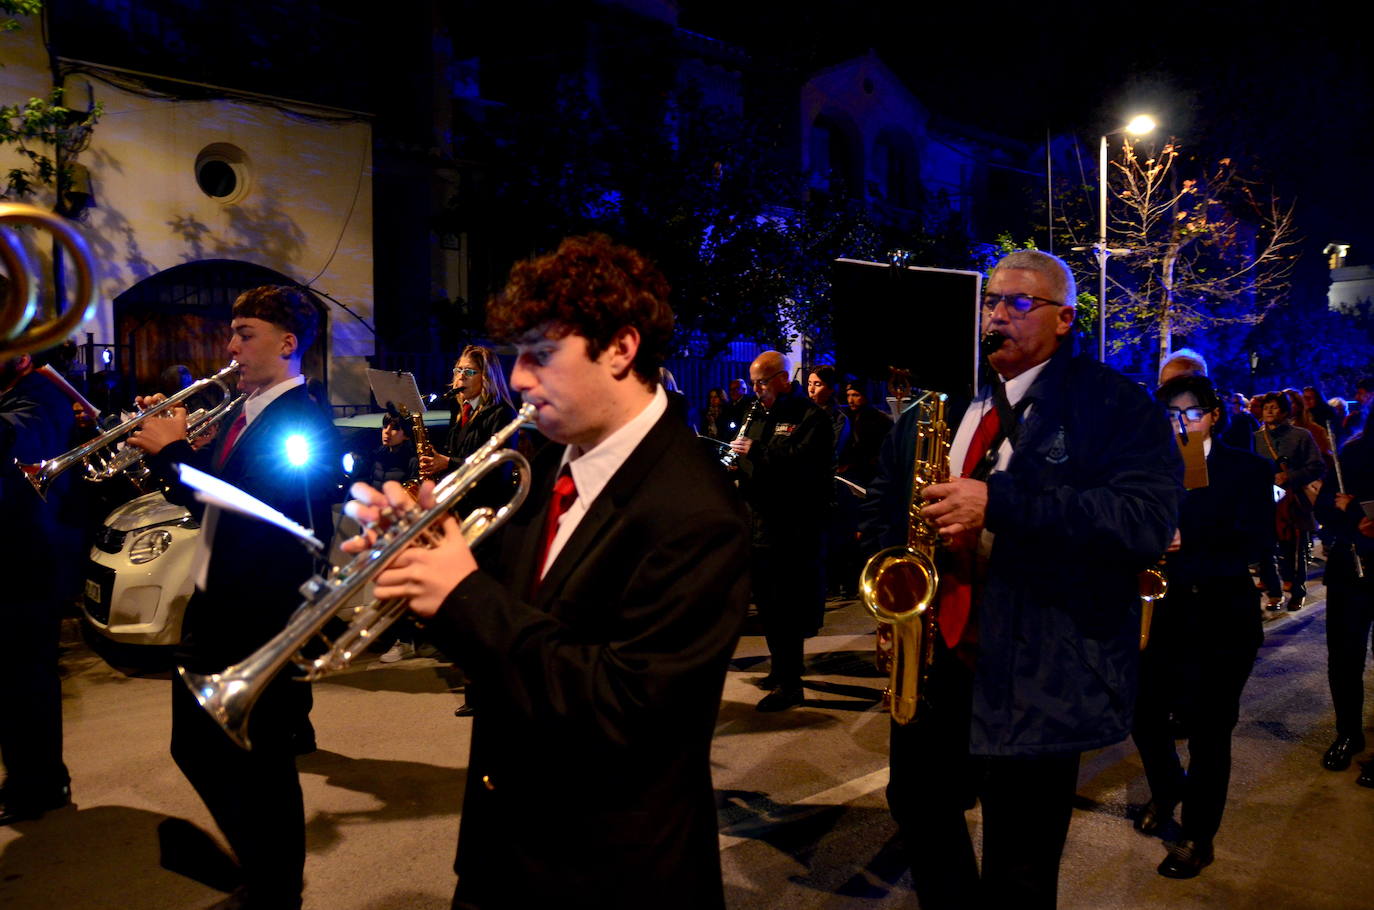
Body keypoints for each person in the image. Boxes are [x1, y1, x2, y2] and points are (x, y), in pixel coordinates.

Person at [343, 234, 749, 909]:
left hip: (607, 874)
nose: (522, 379)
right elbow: (506, 630)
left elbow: (625, 710)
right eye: (516, 357)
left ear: (621, 348)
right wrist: (414, 573)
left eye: (542, 354)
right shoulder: (546, 458)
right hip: (502, 851)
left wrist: (461, 593)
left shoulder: (697, 510)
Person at [860, 249, 1181, 908]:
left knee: (1021, 865)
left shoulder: (1113, 405)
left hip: (1040, 669)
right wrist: (887, 565)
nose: (997, 315)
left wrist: (999, 505)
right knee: (917, 808)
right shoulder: (943, 403)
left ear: (1064, 319)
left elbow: (1144, 520)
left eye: (1018, 303)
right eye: (991, 301)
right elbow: (888, 493)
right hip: (936, 661)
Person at [130, 285, 340, 910]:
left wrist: (172, 453)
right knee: (200, 745)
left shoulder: (300, 418)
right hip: (221, 601)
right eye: (232, 333)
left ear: (288, 343)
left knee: (264, 759)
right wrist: (166, 449)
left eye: (245, 333)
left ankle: (275, 888)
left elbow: (248, 506)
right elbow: (206, 492)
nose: (230, 346)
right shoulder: (244, 411)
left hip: (264, 610)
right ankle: (268, 872)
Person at [1130, 374, 1273, 878]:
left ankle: (1198, 834)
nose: (1181, 424)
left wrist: (1187, 539)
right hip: (1157, 617)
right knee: (1143, 715)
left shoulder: (1248, 468)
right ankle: (1168, 787)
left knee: (1212, 731)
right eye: (1171, 415)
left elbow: (1255, 542)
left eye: (1190, 413)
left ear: (1213, 414)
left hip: (1220, 618)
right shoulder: (1144, 467)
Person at [0, 351, 79, 827]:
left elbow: (15, 439)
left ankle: (41, 784)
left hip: (27, 562)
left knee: (26, 682)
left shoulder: (44, 396)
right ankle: (25, 779)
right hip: (11, 558)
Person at [731, 351, 835, 711]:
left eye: (761, 382)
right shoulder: (757, 412)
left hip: (790, 527)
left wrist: (757, 451)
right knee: (768, 605)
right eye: (754, 382)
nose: (755, 389)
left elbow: (803, 464)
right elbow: (751, 459)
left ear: (781, 379)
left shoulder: (810, 417)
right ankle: (780, 670)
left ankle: (791, 684)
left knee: (786, 606)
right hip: (757, 521)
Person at [1313, 409, 1374, 782]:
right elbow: (1324, 508)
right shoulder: (1352, 454)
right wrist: (1351, 516)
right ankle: (1348, 733)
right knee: (1345, 657)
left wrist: (1351, 507)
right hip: (1350, 568)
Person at [421, 344, 518, 512]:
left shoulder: (503, 413)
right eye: (458, 370)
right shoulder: (459, 410)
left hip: (483, 510)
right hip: (458, 504)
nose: (461, 377)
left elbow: (497, 469)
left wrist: (448, 463)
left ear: (487, 377)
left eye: (470, 372)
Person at [1254, 391, 1324, 611]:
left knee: (1294, 548)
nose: (1270, 411)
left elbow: (1317, 466)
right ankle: (1274, 592)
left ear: (1284, 411)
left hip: (1293, 499)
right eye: (1267, 407)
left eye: (1275, 407)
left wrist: (1290, 476)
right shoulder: (1255, 438)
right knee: (1265, 548)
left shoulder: (1301, 436)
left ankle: (1296, 590)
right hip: (1264, 499)